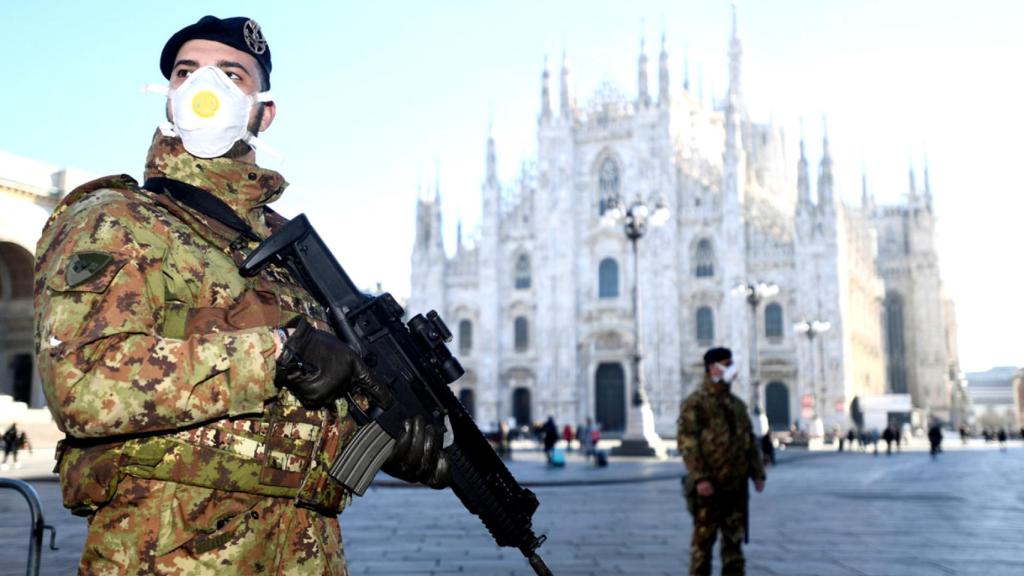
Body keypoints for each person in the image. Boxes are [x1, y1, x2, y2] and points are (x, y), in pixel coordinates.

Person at [33, 16, 448, 574]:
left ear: (263, 110)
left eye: (232, 75)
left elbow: (309, 398)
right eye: (187, 72)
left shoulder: (288, 249)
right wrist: (278, 353)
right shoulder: (115, 219)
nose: (208, 90)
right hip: (168, 556)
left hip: (306, 554)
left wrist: (384, 437)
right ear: (169, 98)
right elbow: (84, 384)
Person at [678, 347, 766, 576]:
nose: (731, 368)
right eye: (727, 364)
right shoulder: (696, 402)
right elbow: (688, 443)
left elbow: (748, 440)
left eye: (731, 363)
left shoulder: (736, 404)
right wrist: (700, 478)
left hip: (736, 486)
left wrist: (757, 473)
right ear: (712, 367)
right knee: (702, 545)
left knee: (734, 545)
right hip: (709, 486)